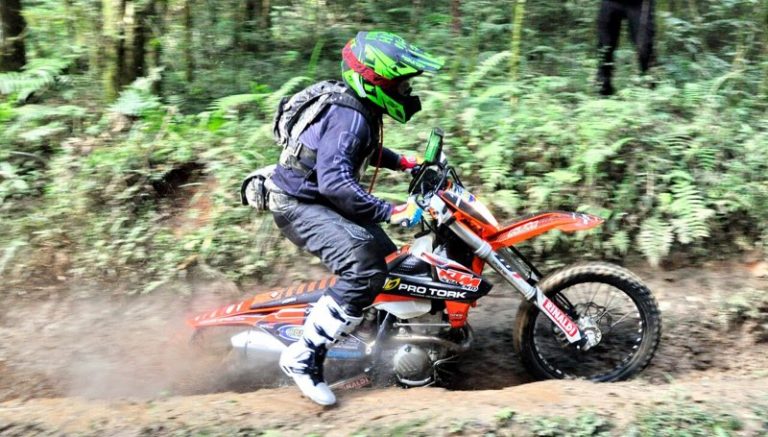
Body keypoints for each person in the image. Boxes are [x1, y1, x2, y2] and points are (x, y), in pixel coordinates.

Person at [267, 31, 443, 406]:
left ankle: (367, 332)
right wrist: (391, 210)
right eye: (402, 85)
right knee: (364, 270)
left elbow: (358, 148)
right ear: (377, 82)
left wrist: (403, 162)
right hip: (300, 204)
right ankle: (303, 358)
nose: (407, 92)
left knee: (390, 260)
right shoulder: (350, 116)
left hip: (316, 198)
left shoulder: (357, 109)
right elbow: (335, 183)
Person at [596, 0, 655, 95]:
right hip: (610, 2)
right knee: (605, 46)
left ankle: (650, 88)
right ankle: (603, 90)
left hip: (639, 4)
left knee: (644, 47)